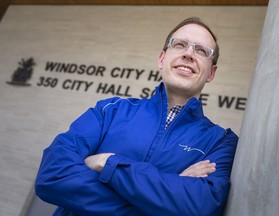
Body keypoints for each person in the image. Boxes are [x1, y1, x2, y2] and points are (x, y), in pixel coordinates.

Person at [35, 16, 238, 216]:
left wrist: (109, 163)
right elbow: (53, 175)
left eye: (201, 50)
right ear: (161, 59)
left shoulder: (220, 142)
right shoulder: (111, 111)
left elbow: (200, 207)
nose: (189, 54)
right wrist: (159, 200)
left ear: (211, 73)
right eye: (179, 44)